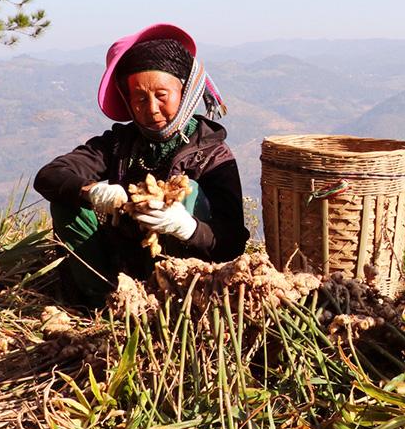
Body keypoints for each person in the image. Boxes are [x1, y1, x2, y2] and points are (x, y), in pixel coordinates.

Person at [34, 24, 249, 307]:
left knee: (189, 190)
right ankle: (102, 302)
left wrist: (187, 228)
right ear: (127, 100)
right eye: (139, 98)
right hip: (123, 267)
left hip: (186, 287)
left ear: (183, 92)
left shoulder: (213, 155)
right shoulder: (118, 145)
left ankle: (173, 301)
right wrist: (92, 191)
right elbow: (48, 176)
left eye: (162, 95)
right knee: (66, 201)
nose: (151, 109)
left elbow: (232, 241)